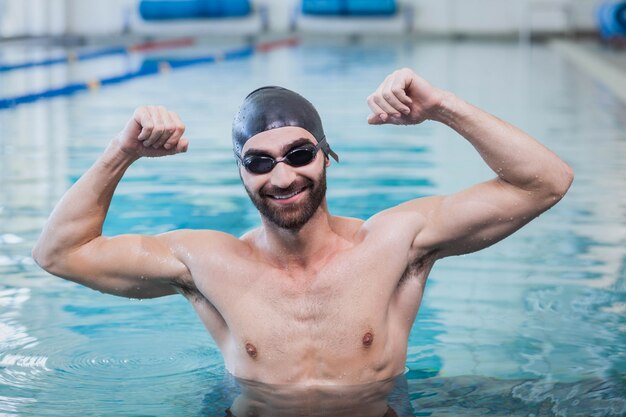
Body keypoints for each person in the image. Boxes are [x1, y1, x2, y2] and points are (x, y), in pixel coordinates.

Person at [32, 68, 573, 387]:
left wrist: (443, 107)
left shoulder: (396, 241)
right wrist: (121, 152)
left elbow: (545, 182)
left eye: (298, 153)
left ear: (326, 155)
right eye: (259, 162)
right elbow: (60, 253)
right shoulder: (207, 263)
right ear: (241, 174)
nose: (283, 176)